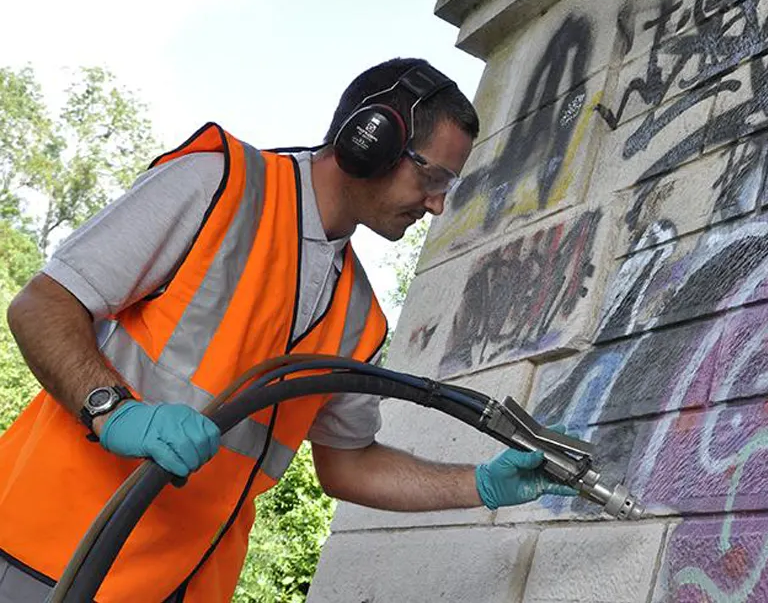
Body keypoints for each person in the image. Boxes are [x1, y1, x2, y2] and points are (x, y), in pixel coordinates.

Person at [0, 57, 576, 603]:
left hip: (180, 589)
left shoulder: (359, 316)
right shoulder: (218, 185)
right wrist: (113, 409)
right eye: (435, 177)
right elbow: (43, 305)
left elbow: (348, 464)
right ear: (369, 140)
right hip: (42, 557)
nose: (436, 206)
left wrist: (482, 485)